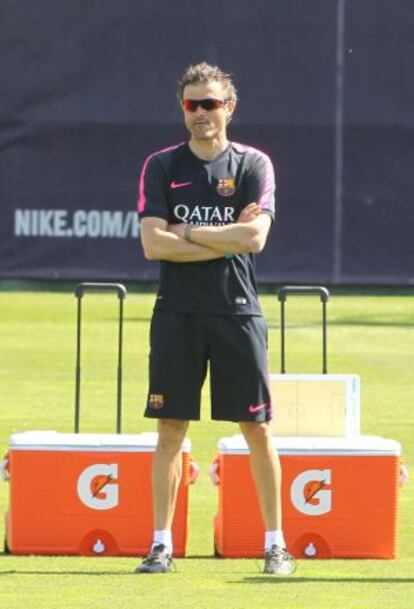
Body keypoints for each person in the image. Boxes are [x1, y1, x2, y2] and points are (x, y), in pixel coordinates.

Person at [135, 62, 295, 576]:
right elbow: (151, 244)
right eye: (192, 104)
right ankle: (161, 545)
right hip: (177, 313)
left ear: (229, 106)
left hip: (237, 311)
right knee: (169, 430)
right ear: (183, 109)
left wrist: (189, 234)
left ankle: (275, 544)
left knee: (257, 429)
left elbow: (254, 240)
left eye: (210, 102)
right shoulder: (162, 165)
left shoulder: (253, 164)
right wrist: (220, 238)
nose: (201, 112)